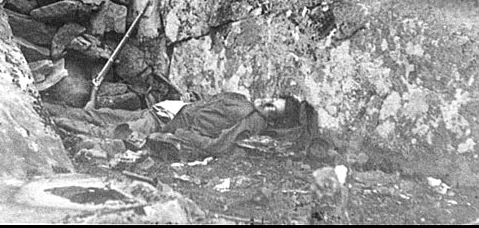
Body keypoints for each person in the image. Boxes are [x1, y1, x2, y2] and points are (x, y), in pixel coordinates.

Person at [48, 91, 312, 161]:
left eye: (271, 108)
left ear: (272, 120)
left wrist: (182, 134)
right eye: (270, 99)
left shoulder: (251, 122)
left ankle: (50, 122)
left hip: (167, 122)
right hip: (167, 109)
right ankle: (43, 108)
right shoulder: (243, 101)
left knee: (106, 129)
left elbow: (218, 146)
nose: (265, 102)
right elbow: (210, 107)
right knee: (104, 115)